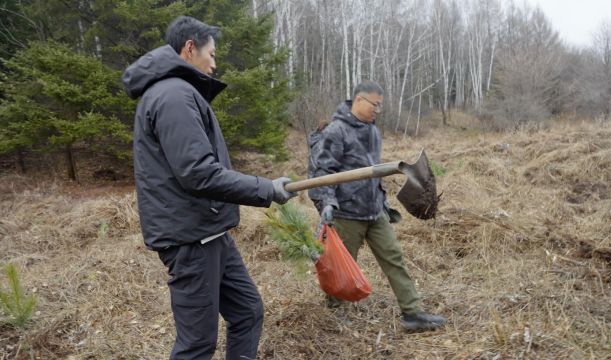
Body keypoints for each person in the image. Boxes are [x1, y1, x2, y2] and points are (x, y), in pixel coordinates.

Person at [122, 16, 297, 359]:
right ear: (190, 48)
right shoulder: (173, 96)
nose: (215, 64)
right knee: (197, 346)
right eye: (211, 54)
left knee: (247, 311)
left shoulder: (179, 91)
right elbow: (198, 173)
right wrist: (266, 190)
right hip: (191, 240)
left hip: (210, 231)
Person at [308, 81, 445, 332]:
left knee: (394, 258)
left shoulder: (372, 130)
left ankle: (413, 313)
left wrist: (382, 201)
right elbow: (321, 171)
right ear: (359, 100)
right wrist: (327, 202)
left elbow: (373, 170)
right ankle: (336, 314)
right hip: (346, 212)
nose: (377, 111)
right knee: (340, 265)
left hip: (374, 210)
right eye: (375, 105)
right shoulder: (336, 131)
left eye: (380, 106)